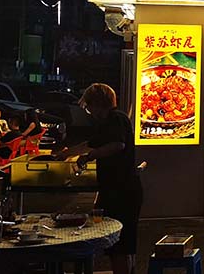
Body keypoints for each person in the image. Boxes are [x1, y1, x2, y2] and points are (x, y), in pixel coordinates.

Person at [60, 84, 142, 274]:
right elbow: (89, 144)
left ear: (98, 104)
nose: (88, 111)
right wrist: (65, 154)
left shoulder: (116, 118)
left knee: (120, 247)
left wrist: (89, 157)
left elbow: (117, 145)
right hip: (116, 189)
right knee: (122, 245)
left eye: (89, 106)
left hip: (122, 191)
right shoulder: (108, 123)